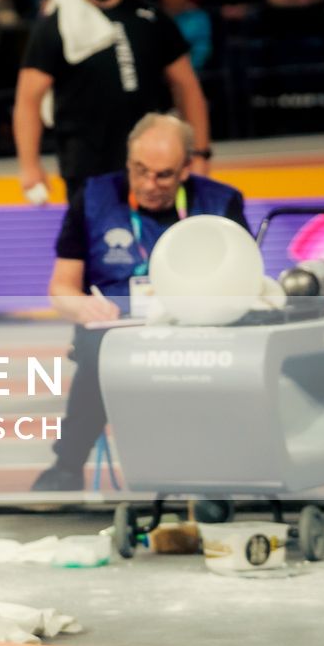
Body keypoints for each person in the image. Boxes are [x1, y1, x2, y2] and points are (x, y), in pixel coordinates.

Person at [32, 114, 247, 490]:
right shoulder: (94, 197)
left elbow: (245, 287)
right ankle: (67, 465)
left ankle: (221, 468)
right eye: (140, 171)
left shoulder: (220, 203)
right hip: (116, 329)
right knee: (99, 350)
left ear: (185, 169)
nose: (149, 184)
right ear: (128, 162)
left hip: (196, 328)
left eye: (163, 175)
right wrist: (82, 307)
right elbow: (61, 288)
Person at [13, 0, 211, 201]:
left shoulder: (151, 16)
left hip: (153, 166)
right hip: (86, 169)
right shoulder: (55, 25)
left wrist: (200, 153)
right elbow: (27, 99)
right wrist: (29, 166)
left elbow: (187, 87)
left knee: (159, 242)